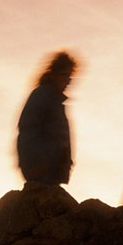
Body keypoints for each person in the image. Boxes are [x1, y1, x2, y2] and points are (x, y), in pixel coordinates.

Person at [17, 53, 77, 189]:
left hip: (50, 174)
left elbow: (60, 138)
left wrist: (66, 162)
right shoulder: (43, 96)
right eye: (66, 75)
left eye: (70, 77)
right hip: (41, 172)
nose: (68, 81)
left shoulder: (55, 100)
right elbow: (27, 130)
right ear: (55, 74)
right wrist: (36, 164)